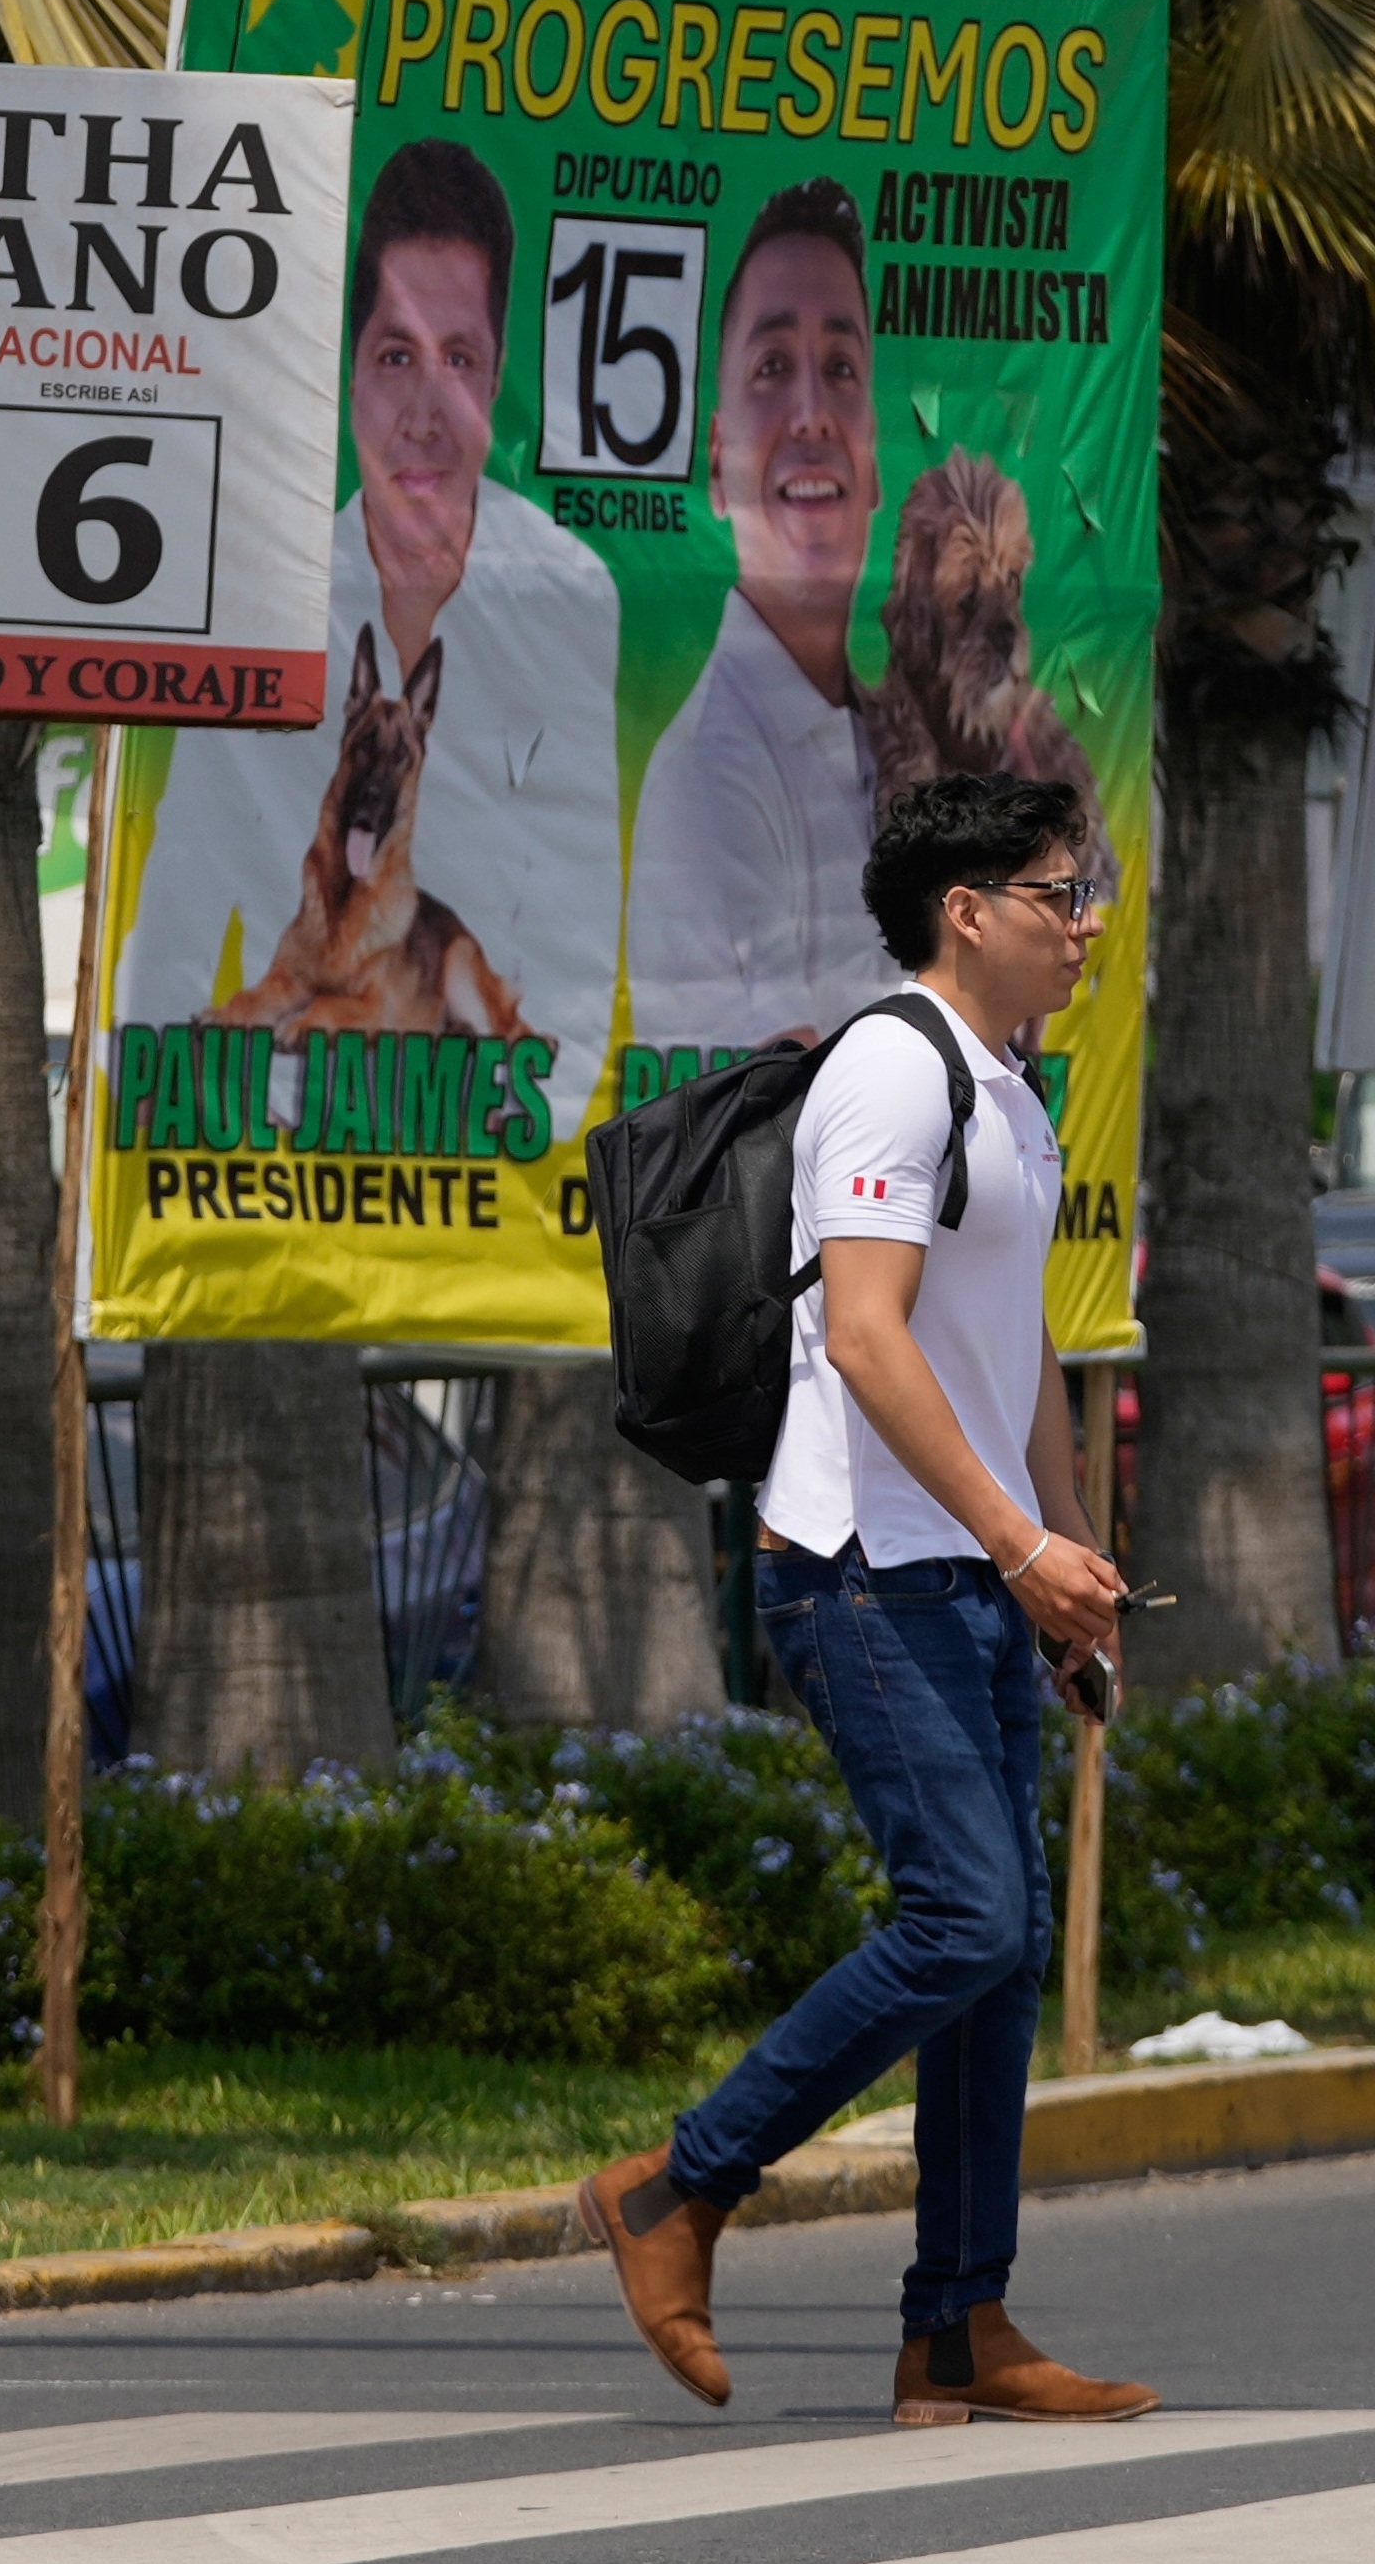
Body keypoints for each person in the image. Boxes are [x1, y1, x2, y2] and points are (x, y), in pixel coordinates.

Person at [577, 771, 1151, 2427]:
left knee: (1004, 1950)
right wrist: (1014, 1543)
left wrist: (1060, 1559)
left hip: (964, 1572)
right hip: (855, 1573)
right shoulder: (892, 1074)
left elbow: (1011, 1347)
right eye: (1057, 893)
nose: (1085, 919)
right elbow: (877, 1341)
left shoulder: (1009, 1089)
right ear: (964, 912)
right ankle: (675, 2189)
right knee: (962, 1917)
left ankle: (958, 2326)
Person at [120, 140, 621, 1121]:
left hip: (487, 1162)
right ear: (348, 372)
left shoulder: (570, 598)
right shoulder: (251, 592)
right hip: (273, 1167)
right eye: (396, 356)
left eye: (459, 360)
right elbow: (173, 926)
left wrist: (509, 1143)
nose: (424, 412)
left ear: (497, 379)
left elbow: (582, 949)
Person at [628, 177, 907, 1052]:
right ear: (717, 462)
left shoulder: (896, 747)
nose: (813, 415)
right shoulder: (707, 775)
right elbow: (779, 1109)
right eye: (773, 367)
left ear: (874, 463)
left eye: (841, 370)